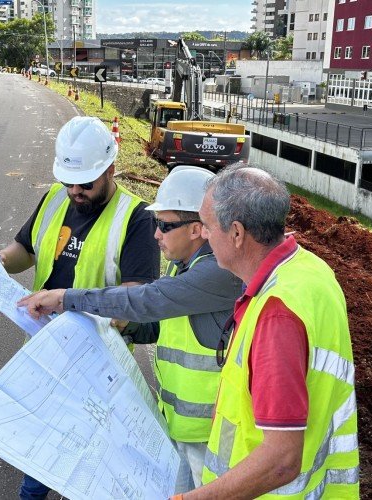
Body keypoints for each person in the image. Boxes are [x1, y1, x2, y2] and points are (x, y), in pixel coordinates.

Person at [18, 166, 243, 493]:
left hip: (212, 436)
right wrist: (122, 329)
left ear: (198, 229)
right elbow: (164, 327)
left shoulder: (217, 272)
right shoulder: (184, 264)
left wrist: (66, 298)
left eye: (164, 225)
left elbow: (146, 299)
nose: (156, 234)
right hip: (183, 428)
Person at [0, 116, 160, 500]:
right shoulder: (56, 197)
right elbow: (26, 251)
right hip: (45, 349)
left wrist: (74, 307)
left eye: (86, 183)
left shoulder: (136, 219)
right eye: (69, 181)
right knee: (46, 444)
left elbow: (135, 301)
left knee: (80, 456)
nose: (75, 191)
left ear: (110, 169)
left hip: (96, 364)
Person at [181, 164, 359, 499]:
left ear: (236, 233)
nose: (202, 235)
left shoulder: (277, 314)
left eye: (206, 226)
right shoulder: (311, 270)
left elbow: (281, 460)